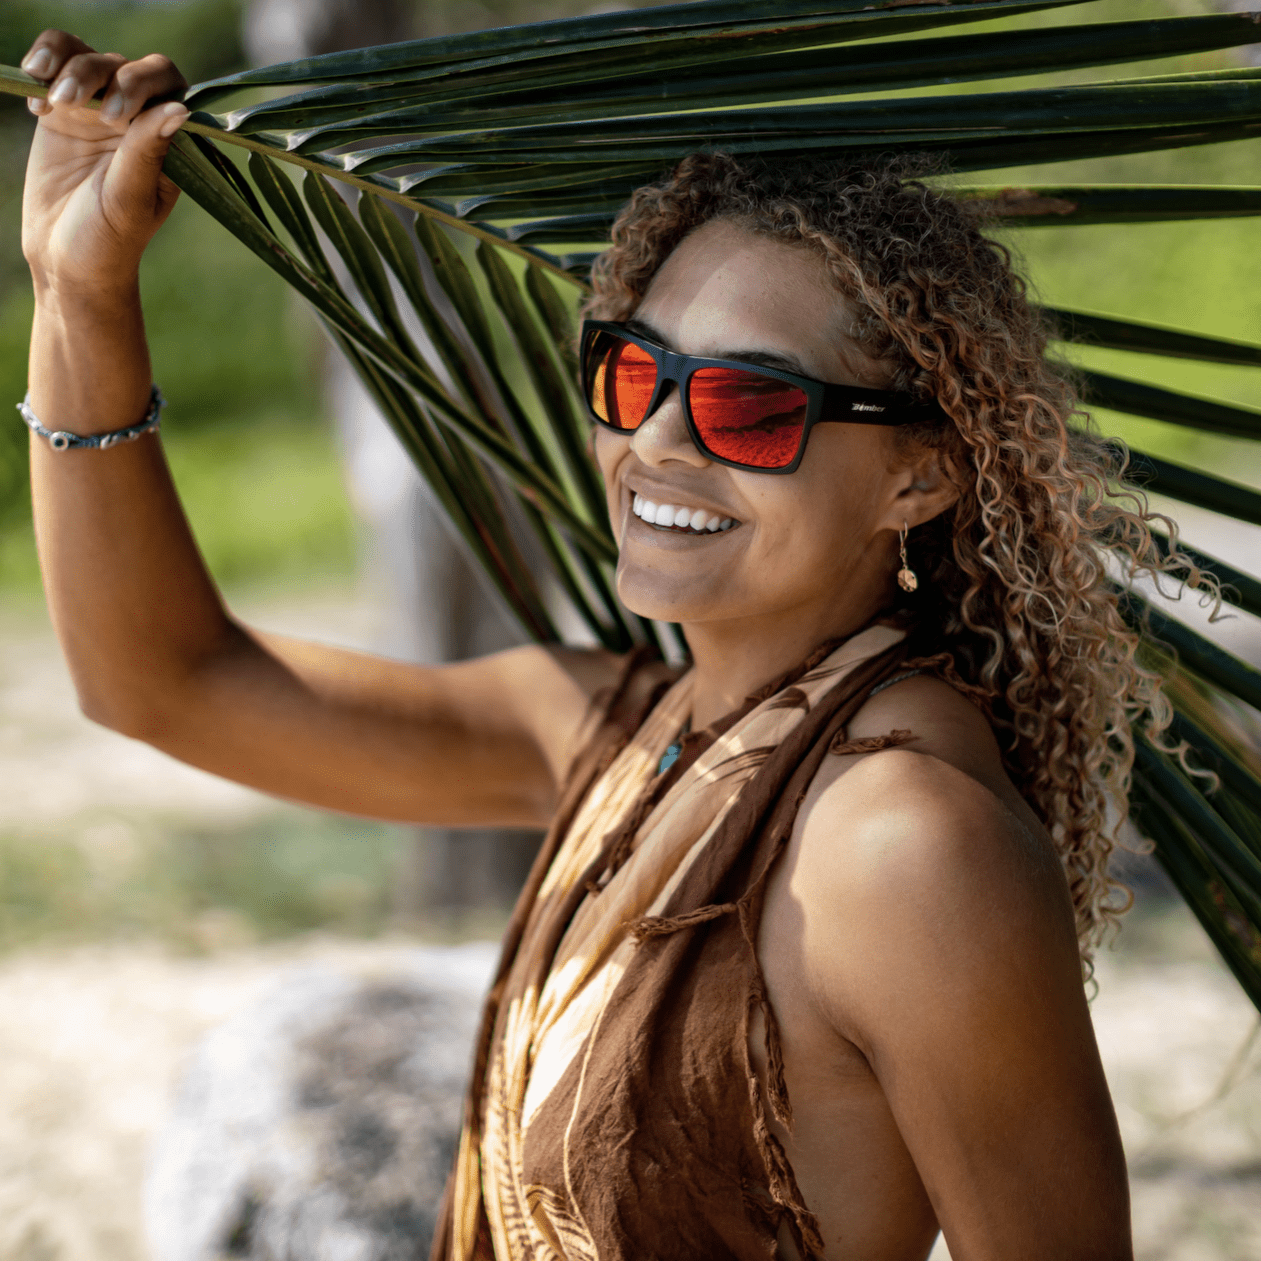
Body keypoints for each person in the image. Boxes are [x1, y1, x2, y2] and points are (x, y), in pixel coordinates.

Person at [20, 28, 1200, 1261]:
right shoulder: (633, 734)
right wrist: (78, 292)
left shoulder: (902, 847)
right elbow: (166, 684)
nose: (662, 443)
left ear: (920, 474)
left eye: (751, 405)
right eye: (634, 376)